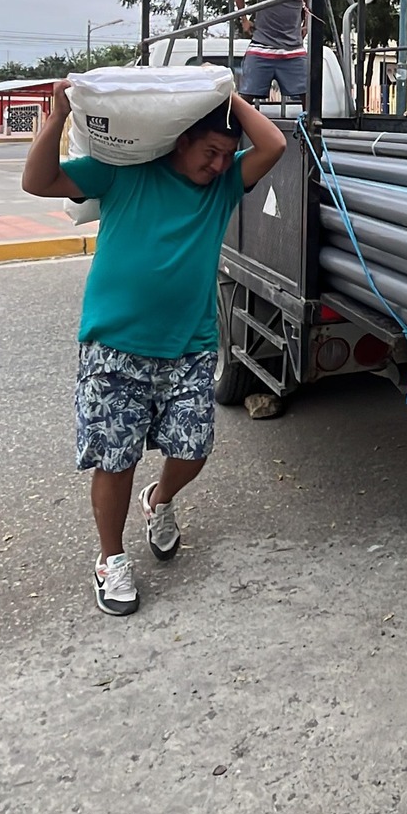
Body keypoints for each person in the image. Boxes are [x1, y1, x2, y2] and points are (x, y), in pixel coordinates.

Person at [23, 84, 286, 616]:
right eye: (210, 151)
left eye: (226, 154)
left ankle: (159, 499)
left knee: (192, 451)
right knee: (115, 459)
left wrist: (224, 94)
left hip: (190, 346)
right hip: (115, 345)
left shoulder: (223, 187)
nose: (218, 165)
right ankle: (110, 559)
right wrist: (56, 117)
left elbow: (274, 145)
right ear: (180, 141)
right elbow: (38, 181)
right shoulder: (125, 171)